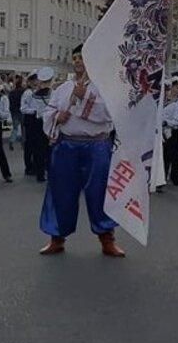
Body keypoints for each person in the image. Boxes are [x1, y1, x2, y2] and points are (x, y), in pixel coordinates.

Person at [38, 44, 124, 257]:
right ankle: (57, 237)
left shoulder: (104, 86)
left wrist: (85, 96)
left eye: (82, 58)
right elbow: (49, 111)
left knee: (100, 192)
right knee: (61, 191)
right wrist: (57, 117)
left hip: (97, 145)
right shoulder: (62, 88)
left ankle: (107, 238)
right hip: (67, 145)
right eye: (75, 57)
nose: (77, 61)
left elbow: (110, 114)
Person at [21, 68, 54, 182]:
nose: (36, 82)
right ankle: (41, 170)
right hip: (41, 123)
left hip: (41, 122)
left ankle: (41, 172)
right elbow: (24, 109)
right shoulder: (32, 93)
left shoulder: (36, 94)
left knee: (41, 149)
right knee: (43, 148)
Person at [160, 78, 178, 190]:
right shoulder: (164, 101)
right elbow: (161, 116)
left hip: (177, 130)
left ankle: (175, 177)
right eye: (176, 87)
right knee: (165, 156)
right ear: (171, 88)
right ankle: (162, 179)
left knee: (176, 155)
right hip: (166, 130)